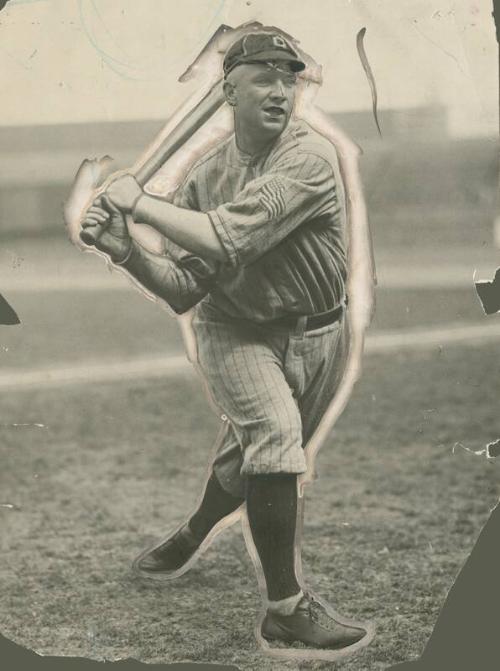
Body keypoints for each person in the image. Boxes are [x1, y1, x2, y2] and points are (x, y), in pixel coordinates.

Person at [82, 31, 370, 654]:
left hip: (322, 329)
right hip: (233, 327)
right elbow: (187, 286)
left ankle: (193, 531)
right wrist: (127, 252)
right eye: (263, 78)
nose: (280, 90)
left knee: (250, 459)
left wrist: (144, 206)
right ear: (229, 93)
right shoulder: (206, 175)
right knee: (274, 441)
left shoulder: (310, 156)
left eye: (288, 78)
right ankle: (285, 609)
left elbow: (227, 238)